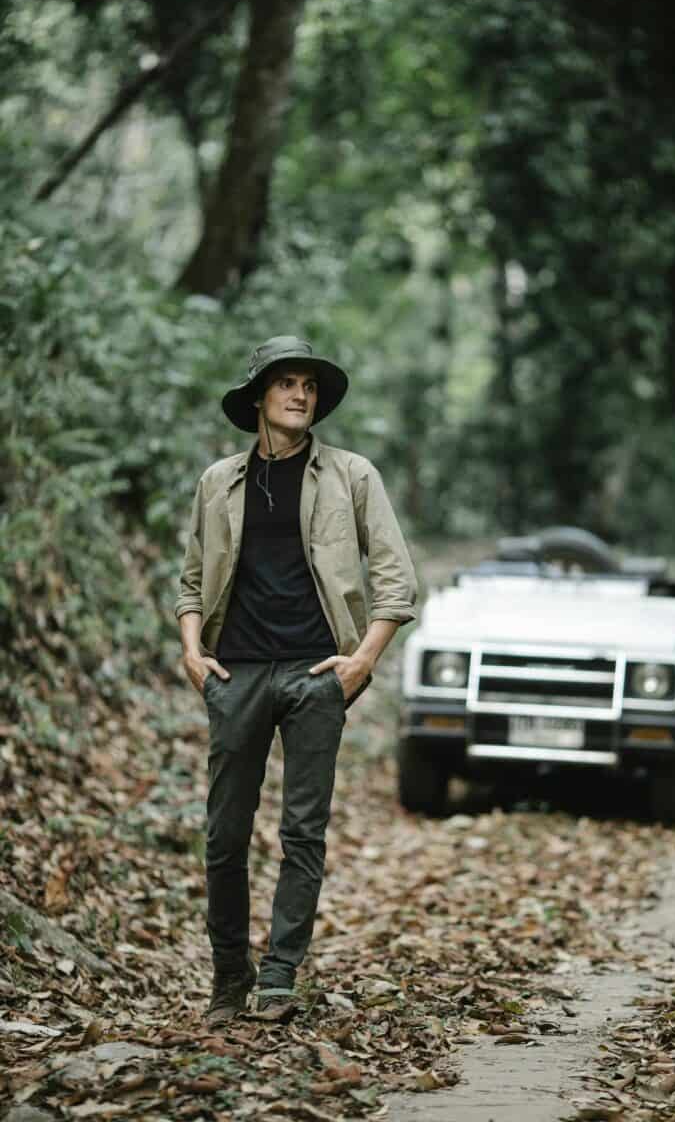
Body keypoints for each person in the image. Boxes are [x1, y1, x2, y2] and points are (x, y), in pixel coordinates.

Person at [175, 335, 417, 1026]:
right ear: (259, 397)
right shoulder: (218, 481)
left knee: (302, 833)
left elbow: (396, 579)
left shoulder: (351, 475)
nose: (300, 394)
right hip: (237, 673)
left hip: (317, 675)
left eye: (309, 384)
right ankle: (229, 977)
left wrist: (363, 658)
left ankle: (279, 975)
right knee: (225, 836)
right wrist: (194, 653)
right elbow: (192, 581)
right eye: (286, 383)